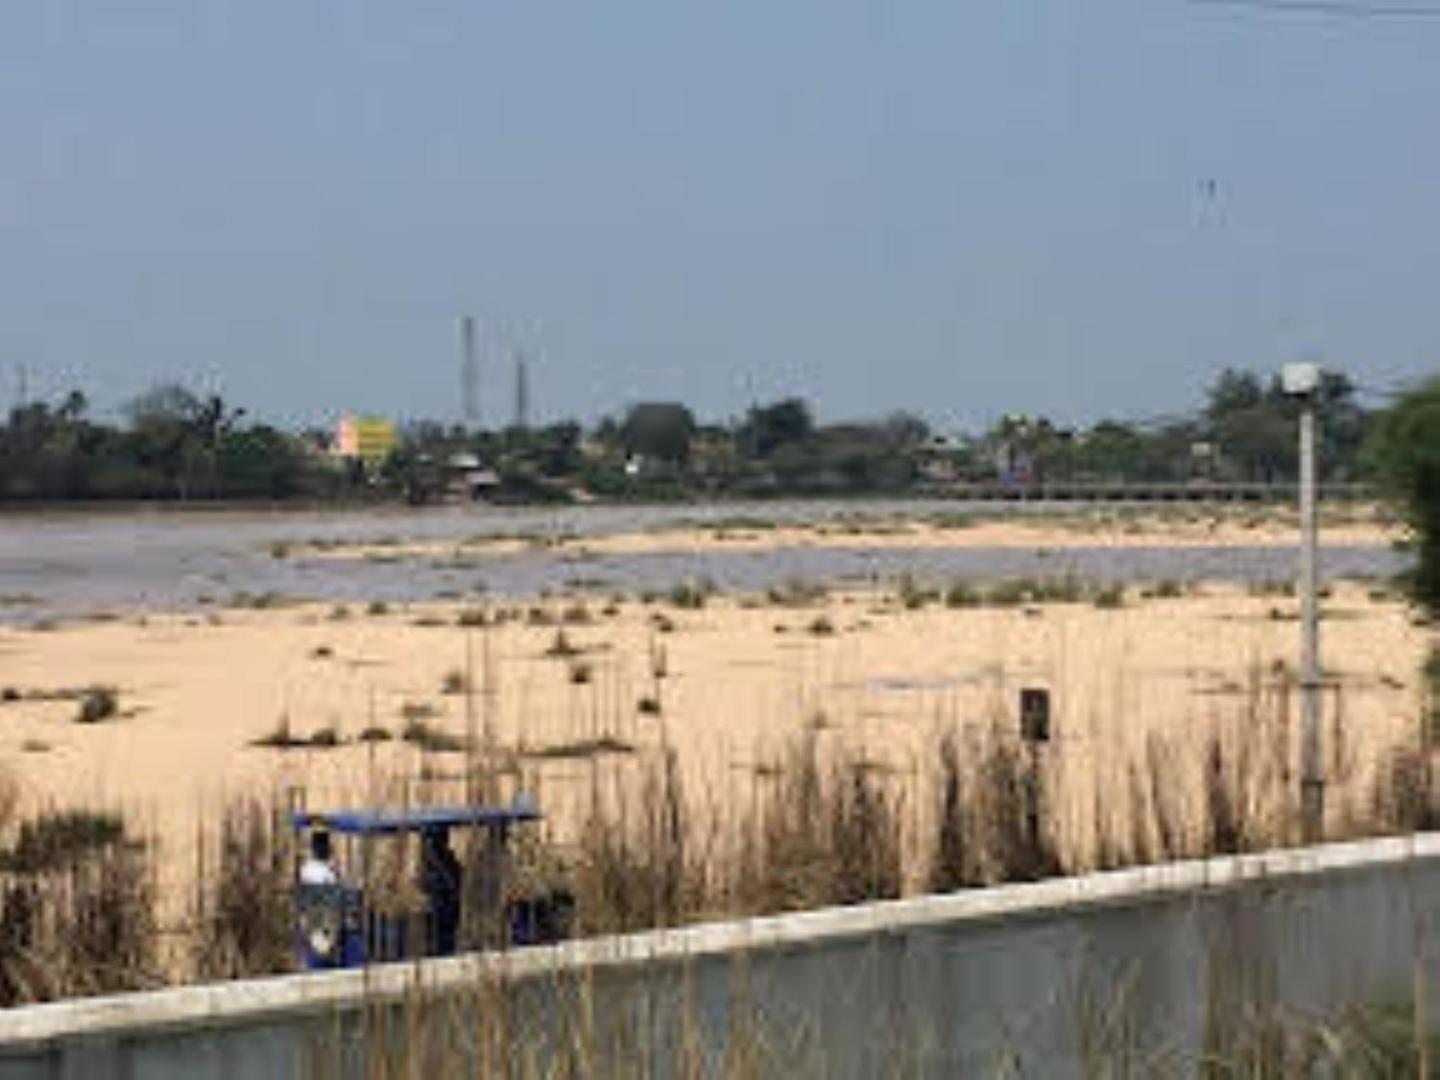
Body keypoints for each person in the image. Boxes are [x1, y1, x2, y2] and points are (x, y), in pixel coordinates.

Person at [419, 826, 462, 956]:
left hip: (445, 909)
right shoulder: (435, 859)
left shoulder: (444, 858)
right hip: (441, 910)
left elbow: (454, 883)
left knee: (444, 939)